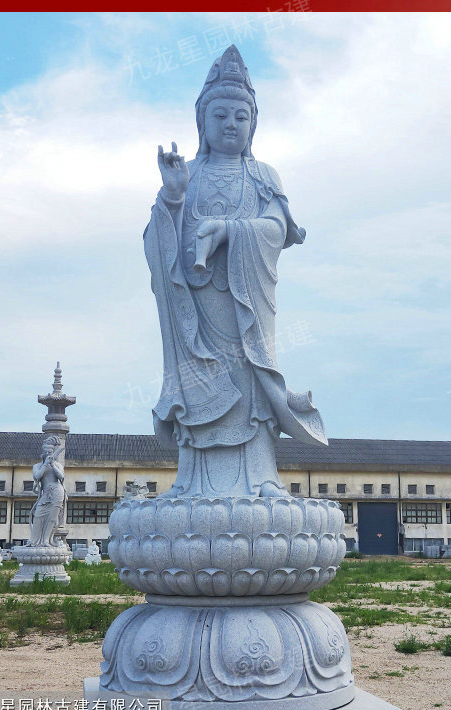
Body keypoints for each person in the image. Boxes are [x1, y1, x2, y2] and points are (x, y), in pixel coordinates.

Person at [145, 45, 327, 499]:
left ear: (253, 124)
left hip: (246, 301)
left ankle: (259, 475)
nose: (230, 124)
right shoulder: (187, 173)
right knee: (199, 377)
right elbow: (158, 243)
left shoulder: (263, 174)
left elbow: (277, 229)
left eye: (241, 116)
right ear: (202, 122)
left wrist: (230, 230)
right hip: (197, 307)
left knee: (249, 377)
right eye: (220, 115)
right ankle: (193, 479)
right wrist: (172, 197)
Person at [27, 435, 67, 547]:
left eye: (50, 452)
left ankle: (46, 540)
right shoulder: (37, 466)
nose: (48, 453)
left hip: (57, 492)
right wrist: (45, 464)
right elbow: (37, 476)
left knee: (52, 518)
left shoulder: (58, 465)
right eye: (46, 452)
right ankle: (35, 541)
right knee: (38, 515)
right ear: (43, 453)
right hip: (45, 493)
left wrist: (53, 465)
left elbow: (61, 477)